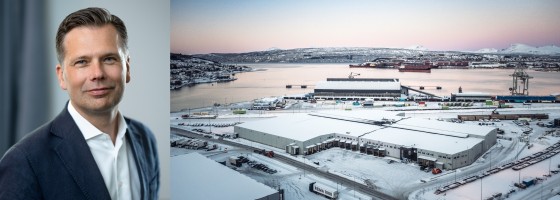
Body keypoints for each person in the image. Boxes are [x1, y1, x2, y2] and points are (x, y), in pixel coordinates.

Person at [0, 7, 159, 200]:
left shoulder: (146, 139)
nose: (97, 73)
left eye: (109, 59)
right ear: (62, 76)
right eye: (82, 62)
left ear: (127, 67)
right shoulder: (23, 162)